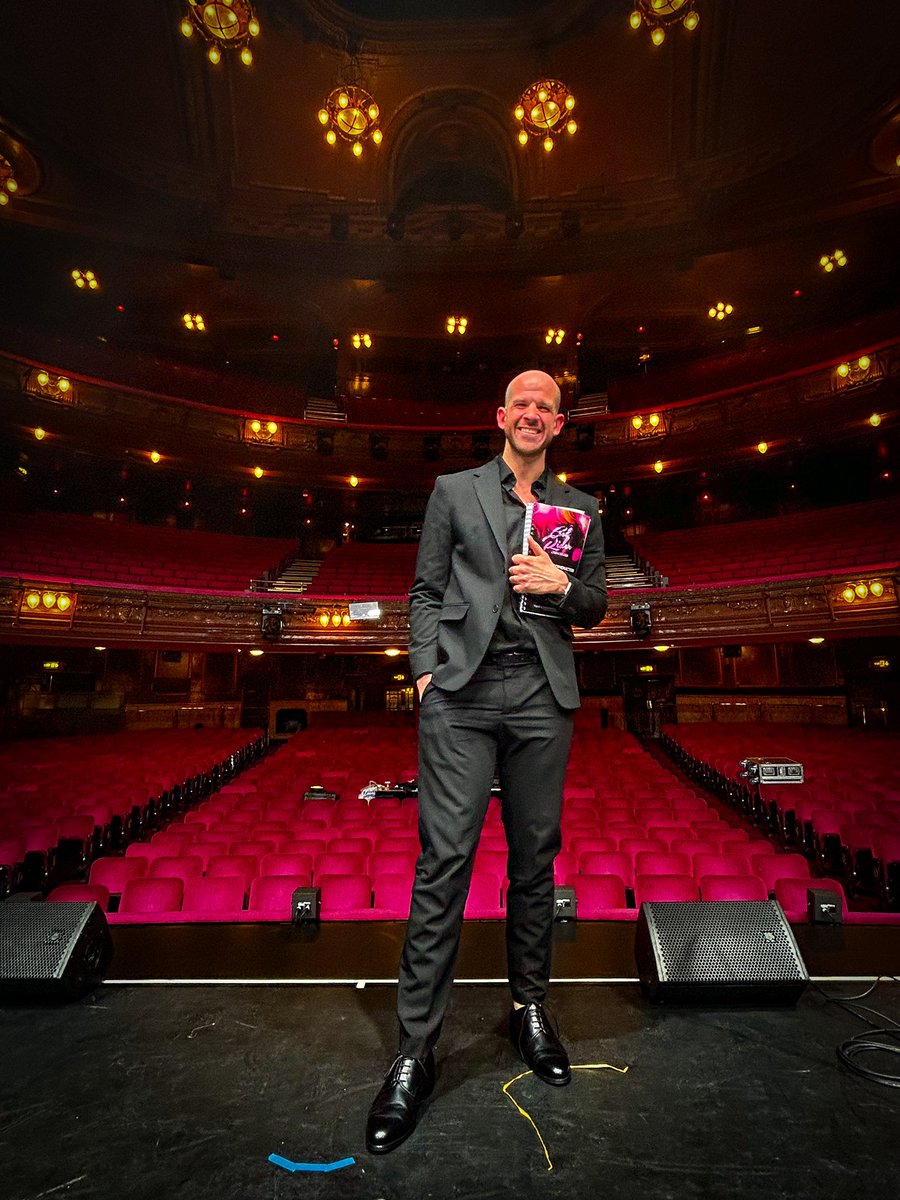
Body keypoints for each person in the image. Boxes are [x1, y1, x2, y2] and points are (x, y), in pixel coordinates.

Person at [365, 369, 608, 1154]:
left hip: (542, 692)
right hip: (462, 695)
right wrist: (425, 671)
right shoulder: (452, 491)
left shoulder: (580, 509)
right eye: (522, 404)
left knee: (536, 862)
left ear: (559, 424)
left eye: (547, 406)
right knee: (445, 864)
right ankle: (413, 1052)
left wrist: (561, 584)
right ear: (501, 416)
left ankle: (530, 1012)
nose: (533, 413)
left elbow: (597, 603)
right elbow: (425, 590)